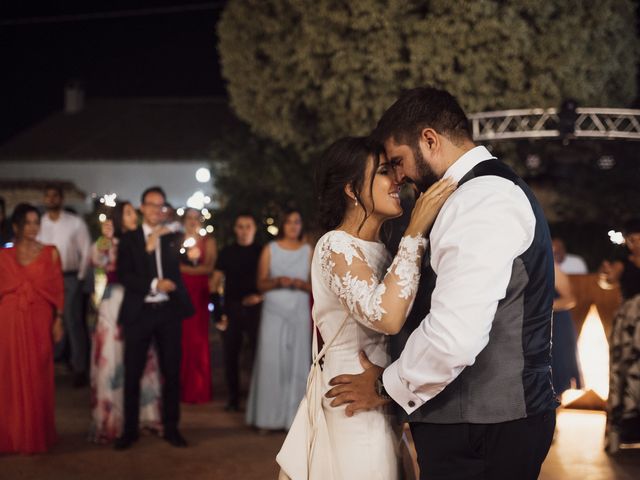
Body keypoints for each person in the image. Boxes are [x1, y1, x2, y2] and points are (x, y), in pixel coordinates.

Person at [326, 87, 558, 480]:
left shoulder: (480, 200)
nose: (398, 176)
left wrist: (386, 387)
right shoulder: (475, 194)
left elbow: (455, 336)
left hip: (483, 429)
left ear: (429, 139)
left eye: (397, 161)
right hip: (480, 426)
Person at [276, 137, 453, 479]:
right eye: (385, 172)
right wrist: (415, 232)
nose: (397, 180)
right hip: (351, 402)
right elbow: (385, 318)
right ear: (352, 189)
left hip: (382, 399)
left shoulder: (384, 251)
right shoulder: (335, 245)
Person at [114, 186, 194, 450]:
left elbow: (190, 257)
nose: (156, 210)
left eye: (161, 206)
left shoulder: (172, 237)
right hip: (140, 312)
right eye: (151, 205)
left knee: (171, 372)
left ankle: (171, 428)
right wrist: (153, 283)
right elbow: (125, 275)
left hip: (169, 312)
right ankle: (129, 431)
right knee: (132, 373)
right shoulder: (130, 239)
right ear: (141, 206)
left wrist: (190, 253)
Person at [89, 202, 162, 443]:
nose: (135, 216)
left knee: (139, 361)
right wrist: (104, 239)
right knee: (113, 359)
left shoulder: (142, 241)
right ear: (119, 218)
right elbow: (97, 261)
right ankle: (112, 420)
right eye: (129, 213)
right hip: (114, 303)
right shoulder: (109, 241)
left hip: (138, 300)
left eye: (135, 212)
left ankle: (144, 416)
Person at [0, 203, 64, 453]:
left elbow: (58, 289)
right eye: (27, 222)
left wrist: (58, 319)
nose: (32, 227)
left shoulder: (51, 253)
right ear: (15, 226)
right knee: (9, 377)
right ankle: (11, 435)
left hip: (39, 319)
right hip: (8, 320)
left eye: (36, 222)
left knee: (38, 374)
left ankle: (35, 434)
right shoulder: (3, 256)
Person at [246, 209, 312, 431]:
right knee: (271, 361)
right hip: (274, 309)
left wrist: (300, 284)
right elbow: (260, 283)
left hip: (299, 309)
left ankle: (294, 419)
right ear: (283, 225)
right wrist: (278, 281)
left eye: (297, 221)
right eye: (289, 222)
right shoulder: (270, 249)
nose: (293, 226)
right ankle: (268, 418)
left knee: (298, 361)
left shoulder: (308, 251)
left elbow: (315, 285)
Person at [38, 184, 92, 387]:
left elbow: (86, 251)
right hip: (45, 280)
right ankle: (48, 365)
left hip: (69, 277)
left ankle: (79, 368)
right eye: (48, 195)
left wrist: (80, 278)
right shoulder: (39, 224)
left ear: (61, 199)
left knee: (72, 321)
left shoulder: (74, 223)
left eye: (55, 195)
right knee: (45, 322)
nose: (51, 199)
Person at [215, 213, 263, 411]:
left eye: (248, 226)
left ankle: (255, 397)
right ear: (235, 229)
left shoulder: (262, 252)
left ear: (254, 228)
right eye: (240, 226)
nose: (244, 231)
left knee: (257, 355)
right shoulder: (226, 252)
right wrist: (217, 313)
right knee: (230, 355)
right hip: (232, 309)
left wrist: (260, 296)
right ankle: (233, 398)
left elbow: (270, 279)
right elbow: (214, 283)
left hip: (256, 310)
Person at [602, 218, 640, 452]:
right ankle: (619, 434)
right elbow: (607, 282)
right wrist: (605, 275)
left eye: (637, 240)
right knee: (624, 374)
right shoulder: (623, 263)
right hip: (629, 327)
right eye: (631, 240)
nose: (634, 244)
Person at [179, 208, 217, 403]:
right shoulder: (177, 240)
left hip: (198, 293)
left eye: (196, 218)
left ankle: (198, 387)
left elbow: (209, 267)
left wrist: (184, 268)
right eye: (189, 218)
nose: (193, 221)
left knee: (197, 338)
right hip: (181, 292)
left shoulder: (208, 242)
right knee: (180, 339)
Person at [551, 261, 581, 397]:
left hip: (556, 326)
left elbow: (570, 299)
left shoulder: (552, 267)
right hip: (533, 327)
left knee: (555, 380)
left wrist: (541, 307)